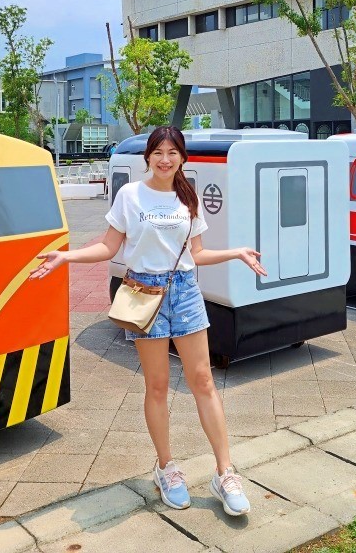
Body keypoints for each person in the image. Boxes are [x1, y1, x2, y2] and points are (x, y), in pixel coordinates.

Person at [30, 125, 267, 516]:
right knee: (156, 386)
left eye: (173, 152)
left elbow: (197, 254)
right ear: (148, 156)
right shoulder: (130, 195)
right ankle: (166, 468)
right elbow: (109, 247)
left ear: (183, 158)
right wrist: (66, 256)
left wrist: (236, 252)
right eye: (158, 151)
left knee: (204, 381)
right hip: (143, 293)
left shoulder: (187, 198)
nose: (165, 159)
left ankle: (225, 472)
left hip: (186, 292)